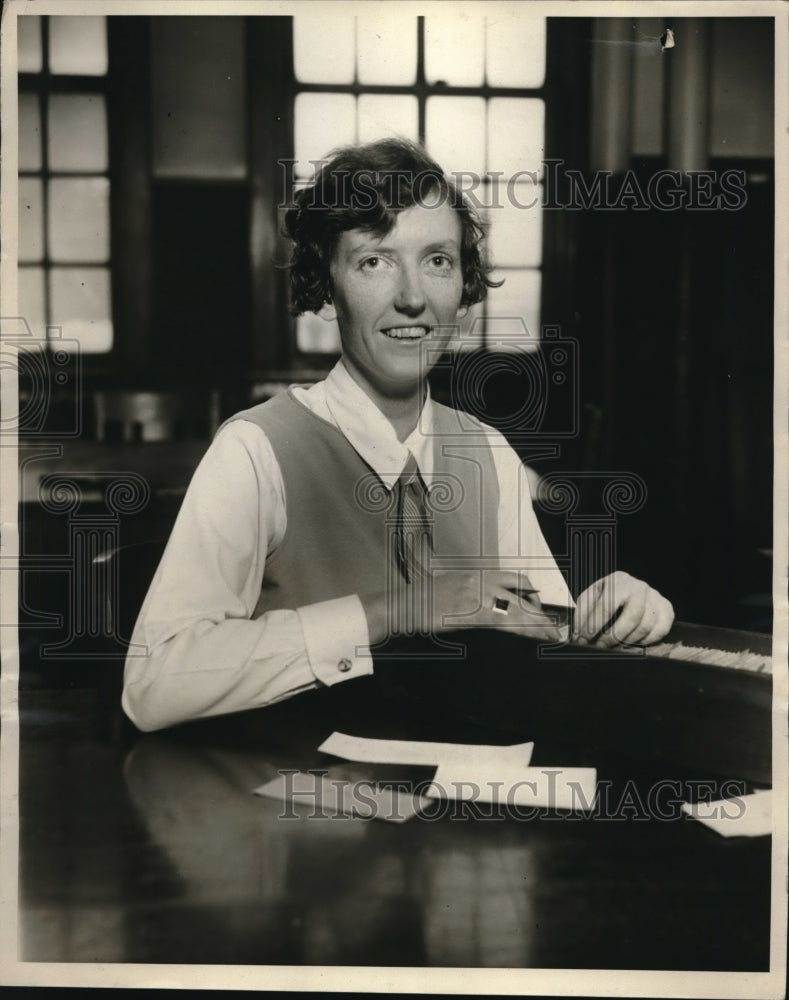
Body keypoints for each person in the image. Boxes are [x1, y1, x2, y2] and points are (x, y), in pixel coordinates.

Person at [122, 138, 674, 733]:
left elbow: (546, 642)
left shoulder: (488, 451)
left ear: (463, 288)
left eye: (437, 260)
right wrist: (400, 610)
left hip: (470, 784)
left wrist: (612, 617)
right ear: (325, 285)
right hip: (296, 787)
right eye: (375, 262)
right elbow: (153, 685)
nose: (413, 298)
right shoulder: (255, 451)